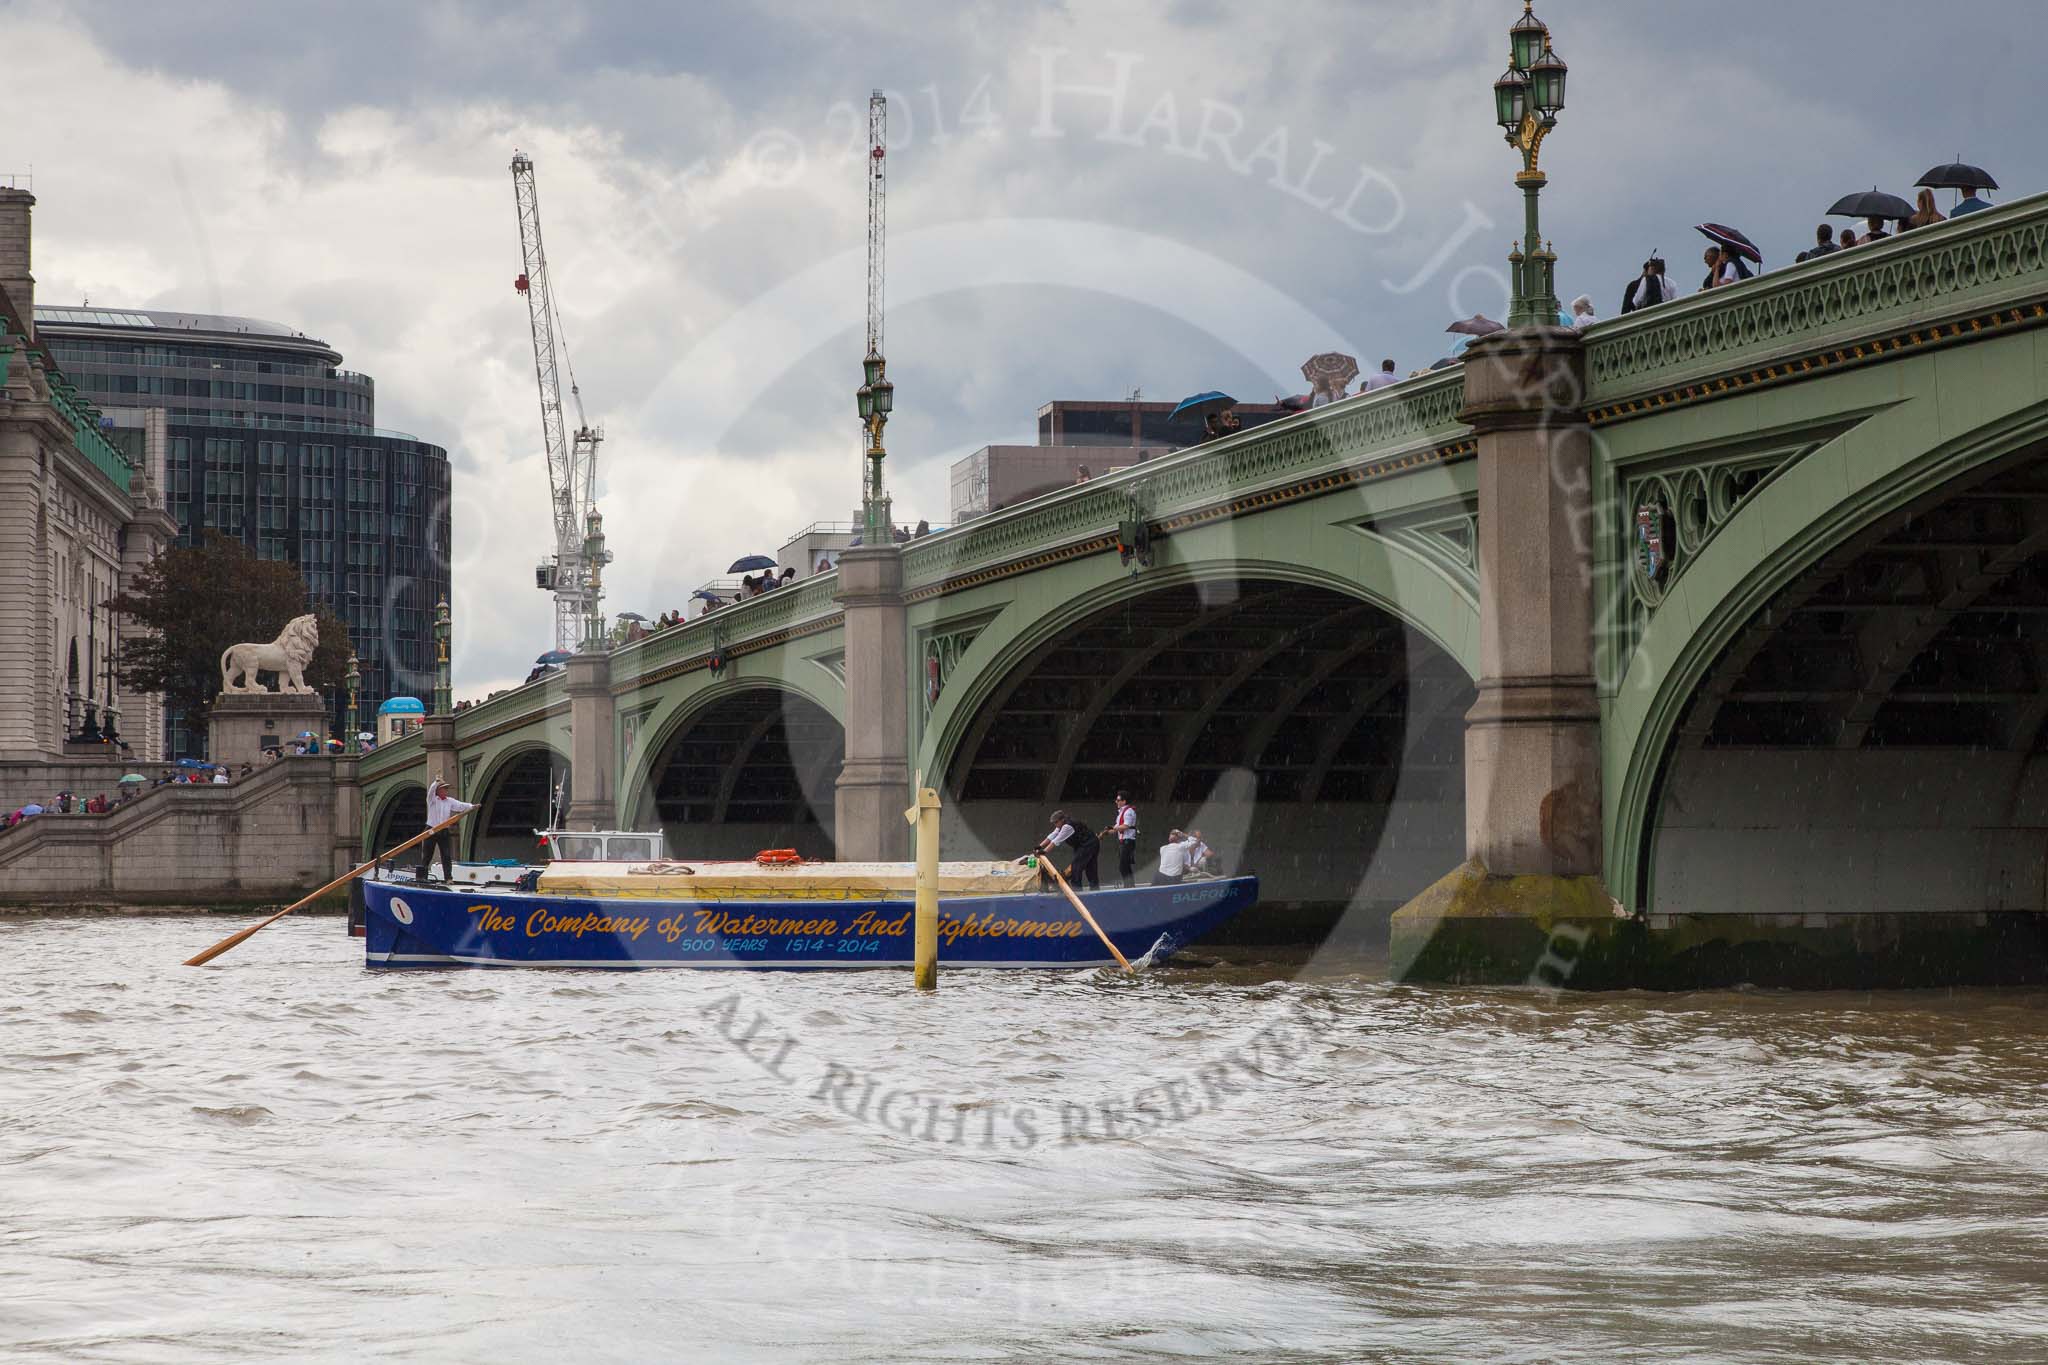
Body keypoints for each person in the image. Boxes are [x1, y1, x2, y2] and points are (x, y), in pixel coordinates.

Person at [415, 778, 476, 884]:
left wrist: (471, 806)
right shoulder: (432, 800)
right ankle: (421, 877)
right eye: (443, 789)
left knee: (446, 855)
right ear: (438, 791)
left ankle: (448, 878)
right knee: (427, 854)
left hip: (443, 830)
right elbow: (430, 793)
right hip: (431, 829)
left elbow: (460, 805)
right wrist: (436, 782)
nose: (445, 791)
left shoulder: (449, 801)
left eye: (446, 789)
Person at [1031, 808, 1100, 891]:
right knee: (1089, 866)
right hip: (1084, 844)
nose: (1055, 824)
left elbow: (1056, 840)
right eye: (1054, 823)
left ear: (1062, 820)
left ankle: (1077, 889)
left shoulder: (1068, 827)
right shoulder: (1061, 825)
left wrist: (1044, 851)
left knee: (1077, 866)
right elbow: (1053, 835)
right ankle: (1095, 888)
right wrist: (1039, 846)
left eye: (1056, 822)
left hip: (1088, 844)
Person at [1107, 791, 1140, 888]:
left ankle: (1129, 886)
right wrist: (1108, 831)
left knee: (1123, 866)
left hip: (1127, 841)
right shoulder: (1122, 812)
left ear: (1124, 801)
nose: (1116, 802)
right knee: (1125, 865)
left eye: (1118, 800)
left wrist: (1113, 829)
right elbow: (1118, 826)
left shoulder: (1129, 811)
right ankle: (1129, 885)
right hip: (1123, 842)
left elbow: (1126, 826)